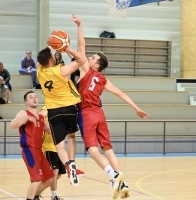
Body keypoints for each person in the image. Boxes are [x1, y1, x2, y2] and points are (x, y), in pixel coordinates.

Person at [73, 14, 148, 199]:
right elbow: (120, 93)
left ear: (96, 65)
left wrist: (79, 26)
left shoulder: (86, 71)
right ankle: (123, 183)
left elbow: (81, 46)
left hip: (87, 114)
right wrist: (135, 108)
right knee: (108, 149)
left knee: (92, 151)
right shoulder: (103, 79)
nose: (88, 58)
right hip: (100, 114)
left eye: (92, 57)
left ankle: (113, 176)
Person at [36, 39, 87, 186]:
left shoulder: (40, 73)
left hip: (53, 111)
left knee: (59, 146)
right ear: (52, 60)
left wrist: (47, 47)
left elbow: (39, 62)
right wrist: (67, 49)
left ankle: (68, 165)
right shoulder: (61, 70)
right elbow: (82, 60)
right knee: (71, 137)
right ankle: (72, 163)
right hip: (70, 108)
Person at [10, 91, 54, 200]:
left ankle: (33, 196)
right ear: (26, 102)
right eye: (31, 97)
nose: (34, 98)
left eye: (35, 97)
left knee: (50, 178)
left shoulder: (40, 117)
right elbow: (12, 124)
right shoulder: (24, 113)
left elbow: (47, 127)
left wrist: (49, 125)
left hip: (39, 151)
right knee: (37, 179)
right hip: (29, 149)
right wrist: (26, 119)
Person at [40, 106, 66, 200]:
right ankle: (54, 196)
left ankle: (38, 190)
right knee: (54, 172)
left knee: (58, 175)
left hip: (59, 148)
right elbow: (40, 116)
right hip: (49, 147)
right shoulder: (47, 108)